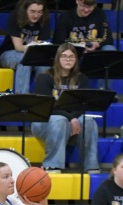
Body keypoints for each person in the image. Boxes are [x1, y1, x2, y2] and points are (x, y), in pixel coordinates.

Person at [30, 43, 99, 173]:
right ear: (57, 59)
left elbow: (83, 104)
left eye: (71, 57)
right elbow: (46, 106)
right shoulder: (44, 78)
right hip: (44, 121)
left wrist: (72, 118)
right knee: (59, 120)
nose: (68, 59)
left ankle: (91, 166)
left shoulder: (82, 79)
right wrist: (70, 118)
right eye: (64, 56)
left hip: (70, 122)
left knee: (89, 122)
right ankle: (52, 165)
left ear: (76, 60)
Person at [0, 0, 52, 94]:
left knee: (44, 63)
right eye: (32, 11)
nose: (36, 15)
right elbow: (18, 47)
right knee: (24, 60)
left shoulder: (44, 19)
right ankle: (22, 96)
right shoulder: (15, 16)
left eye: (39, 12)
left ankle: (43, 96)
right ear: (25, 10)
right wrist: (35, 48)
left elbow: (41, 46)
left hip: (33, 55)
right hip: (9, 53)